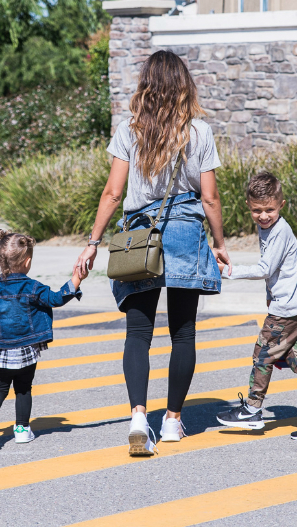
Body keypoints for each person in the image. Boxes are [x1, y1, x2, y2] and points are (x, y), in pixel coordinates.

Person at [75, 49, 230, 457]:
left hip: (141, 237)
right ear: (184, 86)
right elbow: (210, 198)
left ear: (146, 85)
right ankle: (174, 420)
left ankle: (139, 417)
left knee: (138, 333)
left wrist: (93, 243)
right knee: (183, 332)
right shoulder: (200, 131)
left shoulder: (130, 131)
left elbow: (112, 192)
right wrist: (219, 242)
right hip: (183, 234)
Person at [215, 171, 297, 440]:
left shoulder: (280, 231)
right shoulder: (267, 227)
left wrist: (228, 271)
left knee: (263, 355)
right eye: (257, 210)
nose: (263, 215)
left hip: (288, 311)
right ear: (248, 205)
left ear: (281, 205)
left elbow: (265, 268)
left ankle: (252, 409)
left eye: (269, 209)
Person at [0, 230, 82, 449]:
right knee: (23, 389)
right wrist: (75, 281)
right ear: (27, 261)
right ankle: (22, 430)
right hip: (26, 351)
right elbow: (54, 299)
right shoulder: (33, 287)